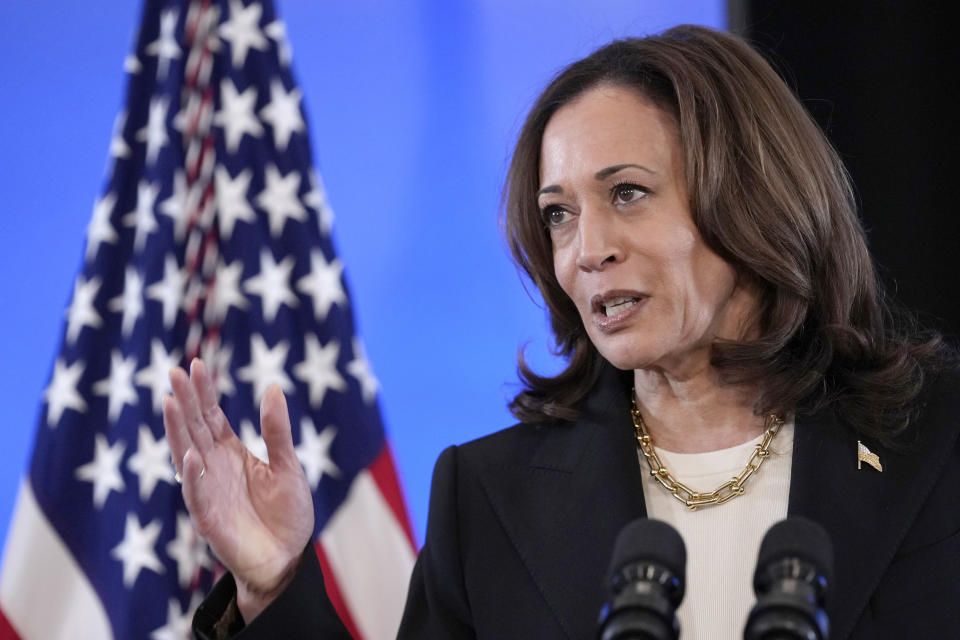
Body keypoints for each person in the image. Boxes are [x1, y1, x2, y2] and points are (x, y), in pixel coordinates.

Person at [163, 24, 959, 640]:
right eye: (558, 215)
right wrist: (274, 585)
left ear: (753, 194)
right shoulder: (487, 500)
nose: (587, 250)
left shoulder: (938, 444)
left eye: (629, 193)